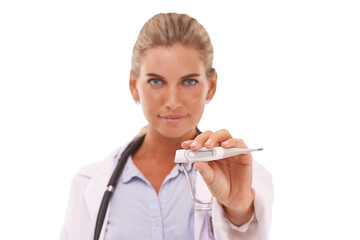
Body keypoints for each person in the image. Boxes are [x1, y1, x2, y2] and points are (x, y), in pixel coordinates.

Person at [60, 12, 273, 240]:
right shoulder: (88, 185)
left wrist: (238, 209)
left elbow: (249, 229)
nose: (172, 101)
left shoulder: (242, 175)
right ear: (134, 85)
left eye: (189, 81)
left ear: (211, 86)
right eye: (156, 81)